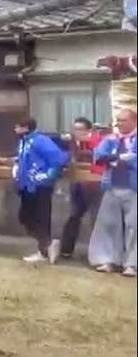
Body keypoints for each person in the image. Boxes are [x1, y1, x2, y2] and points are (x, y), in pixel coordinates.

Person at [12, 117, 69, 264]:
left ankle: (44, 249)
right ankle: (47, 244)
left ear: (26, 128)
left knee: (41, 217)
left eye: (17, 127)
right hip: (25, 185)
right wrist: (17, 165)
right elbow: (23, 158)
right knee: (25, 217)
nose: (15, 130)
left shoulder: (41, 140)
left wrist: (47, 175)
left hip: (40, 186)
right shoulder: (24, 141)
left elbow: (58, 158)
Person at [88, 107, 137, 276]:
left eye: (123, 120)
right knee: (108, 224)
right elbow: (99, 154)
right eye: (118, 120)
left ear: (134, 121)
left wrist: (123, 159)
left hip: (134, 188)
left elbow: (133, 158)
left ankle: (132, 264)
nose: (119, 123)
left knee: (134, 227)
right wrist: (117, 158)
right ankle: (108, 259)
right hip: (112, 185)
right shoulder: (112, 138)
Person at [59, 117, 105, 261]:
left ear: (88, 130)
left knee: (96, 218)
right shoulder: (72, 142)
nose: (76, 132)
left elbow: (98, 158)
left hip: (95, 185)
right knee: (74, 216)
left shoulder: (98, 141)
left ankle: (97, 254)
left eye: (80, 129)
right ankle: (66, 250)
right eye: (75, 129)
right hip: (77, 184)